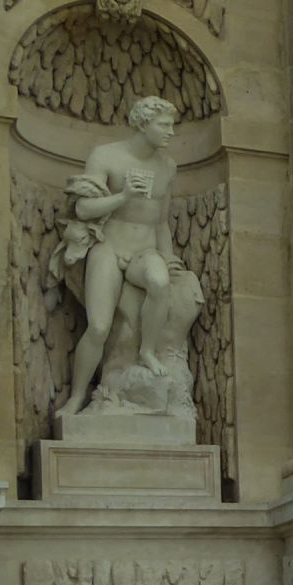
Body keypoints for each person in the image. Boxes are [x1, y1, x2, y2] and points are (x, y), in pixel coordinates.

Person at [53, 96, 187, 417]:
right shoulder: (107, 156)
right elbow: (83, 209)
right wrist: (123, 195)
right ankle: (77, 398)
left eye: (172, 125)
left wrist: (167, 255)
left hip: (145, 249)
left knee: (159, 280)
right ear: (143, 125)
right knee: (98, 327)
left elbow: (162, 221)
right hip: (109, 248)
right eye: (164, 125)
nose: (171, 132)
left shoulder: (168, 167)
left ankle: (147, 350)